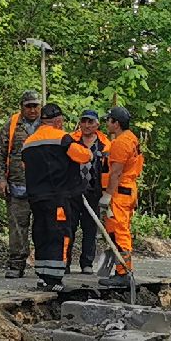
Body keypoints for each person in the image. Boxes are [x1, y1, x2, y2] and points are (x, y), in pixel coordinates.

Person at [20, 103, 93, 289]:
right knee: (59, 234)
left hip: (36, 198)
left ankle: (43, 275)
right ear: (58, 121)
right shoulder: (63, 139)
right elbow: (84, 156)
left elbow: (24, 167)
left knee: (41, 233)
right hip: (58, 196)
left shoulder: (28, 142)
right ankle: (54, 278)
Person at [0, 91, 43, 277]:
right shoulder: (12, 126)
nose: (32, 109)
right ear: (21, 107)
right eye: (28, 106)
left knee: (43, 228)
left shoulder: (48, 125)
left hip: (42, 187)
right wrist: (0, 179)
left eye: (35, 106)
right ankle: (16, 264)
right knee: (17, 227)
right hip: (17, 185)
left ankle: (44, 265)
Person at [99, 105, 144, 286]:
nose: (107, 124)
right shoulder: (131, 139)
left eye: (108, 121)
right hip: (127, 190)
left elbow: (116, 172)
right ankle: (121, 270)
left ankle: (124, 273)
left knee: (119, 232)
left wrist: (108, 195)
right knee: (117, 230)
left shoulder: (120, 143)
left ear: (116, 123)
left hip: (120, 192)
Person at [69, 109, 108, 273]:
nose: (86, 125)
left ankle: (87, 263)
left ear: (97, 124)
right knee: (68, 228)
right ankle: (65, 263)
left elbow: (109, 170)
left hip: (93, 191)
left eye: (90, 122)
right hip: (71, 191)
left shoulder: (105, 144)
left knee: (90, 229)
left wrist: (107, 193)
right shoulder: (71, 140)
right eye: (84, 121)